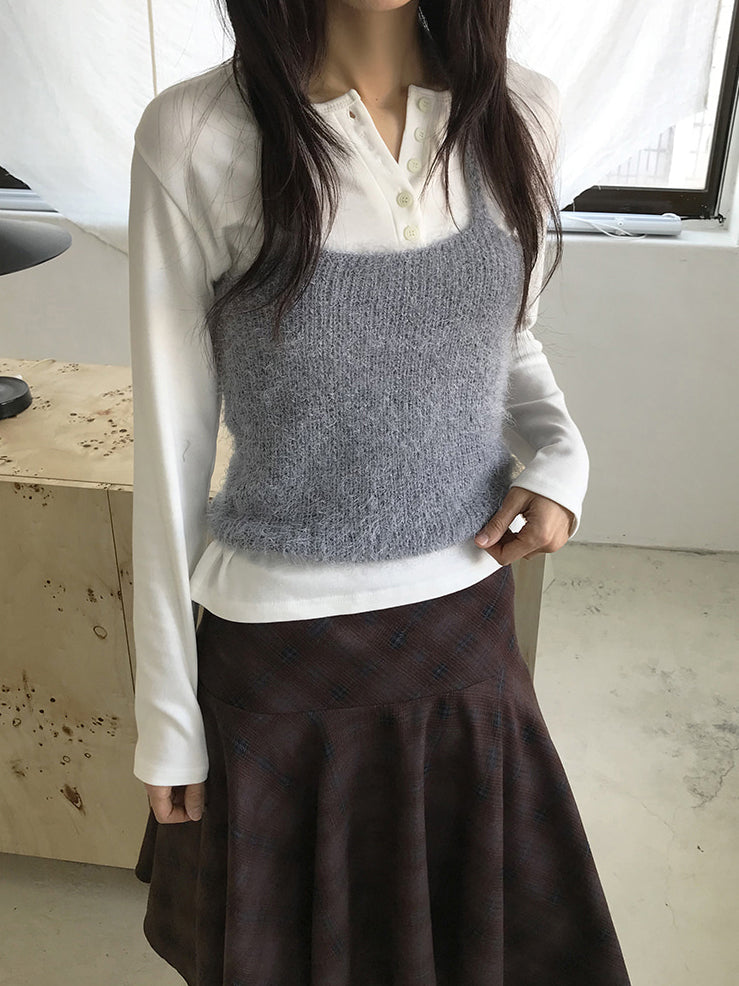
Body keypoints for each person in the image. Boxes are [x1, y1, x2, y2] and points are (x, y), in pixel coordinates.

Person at [128, 1, 632, 984]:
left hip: (464, 634)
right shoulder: (196, 134)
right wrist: (167, 717)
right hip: (281, 659)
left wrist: (561, 459)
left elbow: (504, 338)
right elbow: (173, 444)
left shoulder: (518, 110)